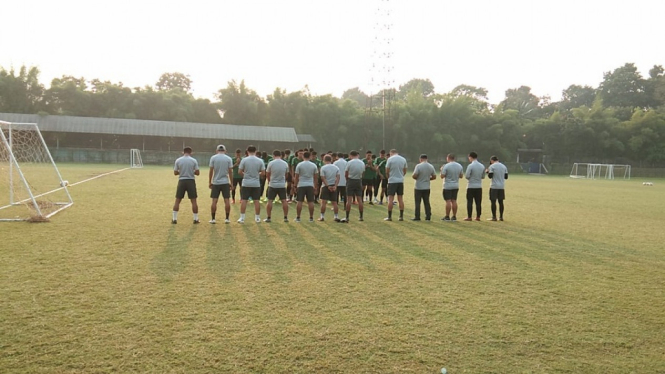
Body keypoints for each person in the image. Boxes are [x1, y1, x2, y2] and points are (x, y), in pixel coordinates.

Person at [237, 145, 266, 224]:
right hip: (256, 183)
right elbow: (263, 173)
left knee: (244, 200)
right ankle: (257, 218)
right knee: (256, 201)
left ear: (247, 151)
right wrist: (256, 175)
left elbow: (239, 171)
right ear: (255, 151)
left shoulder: (244, 160)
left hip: (246, 183)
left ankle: (242, 218)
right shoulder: (260, 160)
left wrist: (245, 176)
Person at [172, 146, 200, 224]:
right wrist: (191, 172)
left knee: (177, 200)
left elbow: (175, 172)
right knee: (193, 201)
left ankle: (174, 219)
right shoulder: (194, 160)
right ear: (191, 152)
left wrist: (181, 172)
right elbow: (197, 173)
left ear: (183, 152)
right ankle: (195, 219)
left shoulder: (178, 160)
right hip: (191, 181)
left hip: (182, 181)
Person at [208, 144, 234, 224]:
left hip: (216, 182)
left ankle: (213, 219)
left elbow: (211, 171)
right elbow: (230, 172)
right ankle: (227, 219)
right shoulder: (228, 158)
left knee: (214, 201)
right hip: (225, 182)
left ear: (217, 150)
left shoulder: (213, 158)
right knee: (227, 200)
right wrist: (232, 183)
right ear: (225, 151)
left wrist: (210, 182)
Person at [265, 149, 289, 223]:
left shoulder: (271, 163)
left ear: (273, 155)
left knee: (270, 201)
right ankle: (285, 217)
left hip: (273, 184)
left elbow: (268, 174)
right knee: (284, 201)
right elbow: (286, 174)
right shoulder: (285, 163)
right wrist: (283, 180)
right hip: (281, 184)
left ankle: (269, 217)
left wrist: (269, 181)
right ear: (281, 155)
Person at [294, 151, 319, 222]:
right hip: (310, 185)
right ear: (310, 156)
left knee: (299, 201)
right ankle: (311, 218)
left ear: (303, 156)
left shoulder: (299, 165)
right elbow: (315, 177)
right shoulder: (313, 165)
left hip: (301, 184)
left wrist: (295, 186)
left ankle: (298, 217)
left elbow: (296, 177)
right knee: (311, 202)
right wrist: (315, 187)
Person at [411, 154, 437, 221]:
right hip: (427, 187)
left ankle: (417, 216)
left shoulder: (418, 166)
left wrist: (419, 178)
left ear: (420, 159)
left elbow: (414, 176)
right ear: (427, 159)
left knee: (417, 202)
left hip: (418, 187)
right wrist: (428, 179)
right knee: (426, 202)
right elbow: (434, 176)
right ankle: (428, 216)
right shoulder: (431, 166)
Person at [341, 150, 365, 223]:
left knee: (349, 200)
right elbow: (363, 173)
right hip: (358, 180)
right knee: (359, 199)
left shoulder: (349, 162)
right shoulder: (362, 162)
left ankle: (347, 217)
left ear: (351, 155)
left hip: (351, 180)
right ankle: (361, 216)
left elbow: (346, 173)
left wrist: (347, 180)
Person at [384, 149, 407, 221]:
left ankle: (389, 216)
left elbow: (387, 171)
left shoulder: (390, 159)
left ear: (391, 153)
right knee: (400, 199)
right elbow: (405, 171)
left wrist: (389, 177)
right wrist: (401, 176)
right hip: (400, 181)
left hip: (392, 181)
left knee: (390, 199)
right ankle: (401, 216)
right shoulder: (403, 159)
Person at [440, 153, 464, 221]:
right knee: (454, 200)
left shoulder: (446, 166)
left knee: (448, 201)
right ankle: (454, 216)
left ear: (448, 158)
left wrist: (441, 170)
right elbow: (461, 176)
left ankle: (447, 216)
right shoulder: (459, 166)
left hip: (447, 185)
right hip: (455, 185)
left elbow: (442, 176)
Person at [464, 151, 485, 221]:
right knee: (478, 202)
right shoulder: (482, 166)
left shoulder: (470, 166)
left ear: (470, 157)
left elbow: (467, 176)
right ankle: (478, 216)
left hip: (471, 186)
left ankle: (469, 216)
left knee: (470, 202)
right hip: (479, 186)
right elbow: (483, 176)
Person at [318, 155, 340, 221]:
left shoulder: (323, 168)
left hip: (325, 186)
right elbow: (338, 177)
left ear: (324, 160)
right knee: (334, 202)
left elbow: (323, 178)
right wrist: (335, 186)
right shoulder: (336, 168)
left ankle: (322, 216)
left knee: (323, 202)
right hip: (333, 185)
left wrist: (328, 186)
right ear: (331, 160)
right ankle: (336, 216)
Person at [487, 155, 508, 221]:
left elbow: (490, 176)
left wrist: (487, 172)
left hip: (494, 186)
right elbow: (506, 177)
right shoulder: (503, 166)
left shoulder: (492, 166)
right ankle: (501, 217)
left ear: (491, 160)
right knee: (501, 202)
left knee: (493, 202)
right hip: (501, 186)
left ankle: (494, 217)